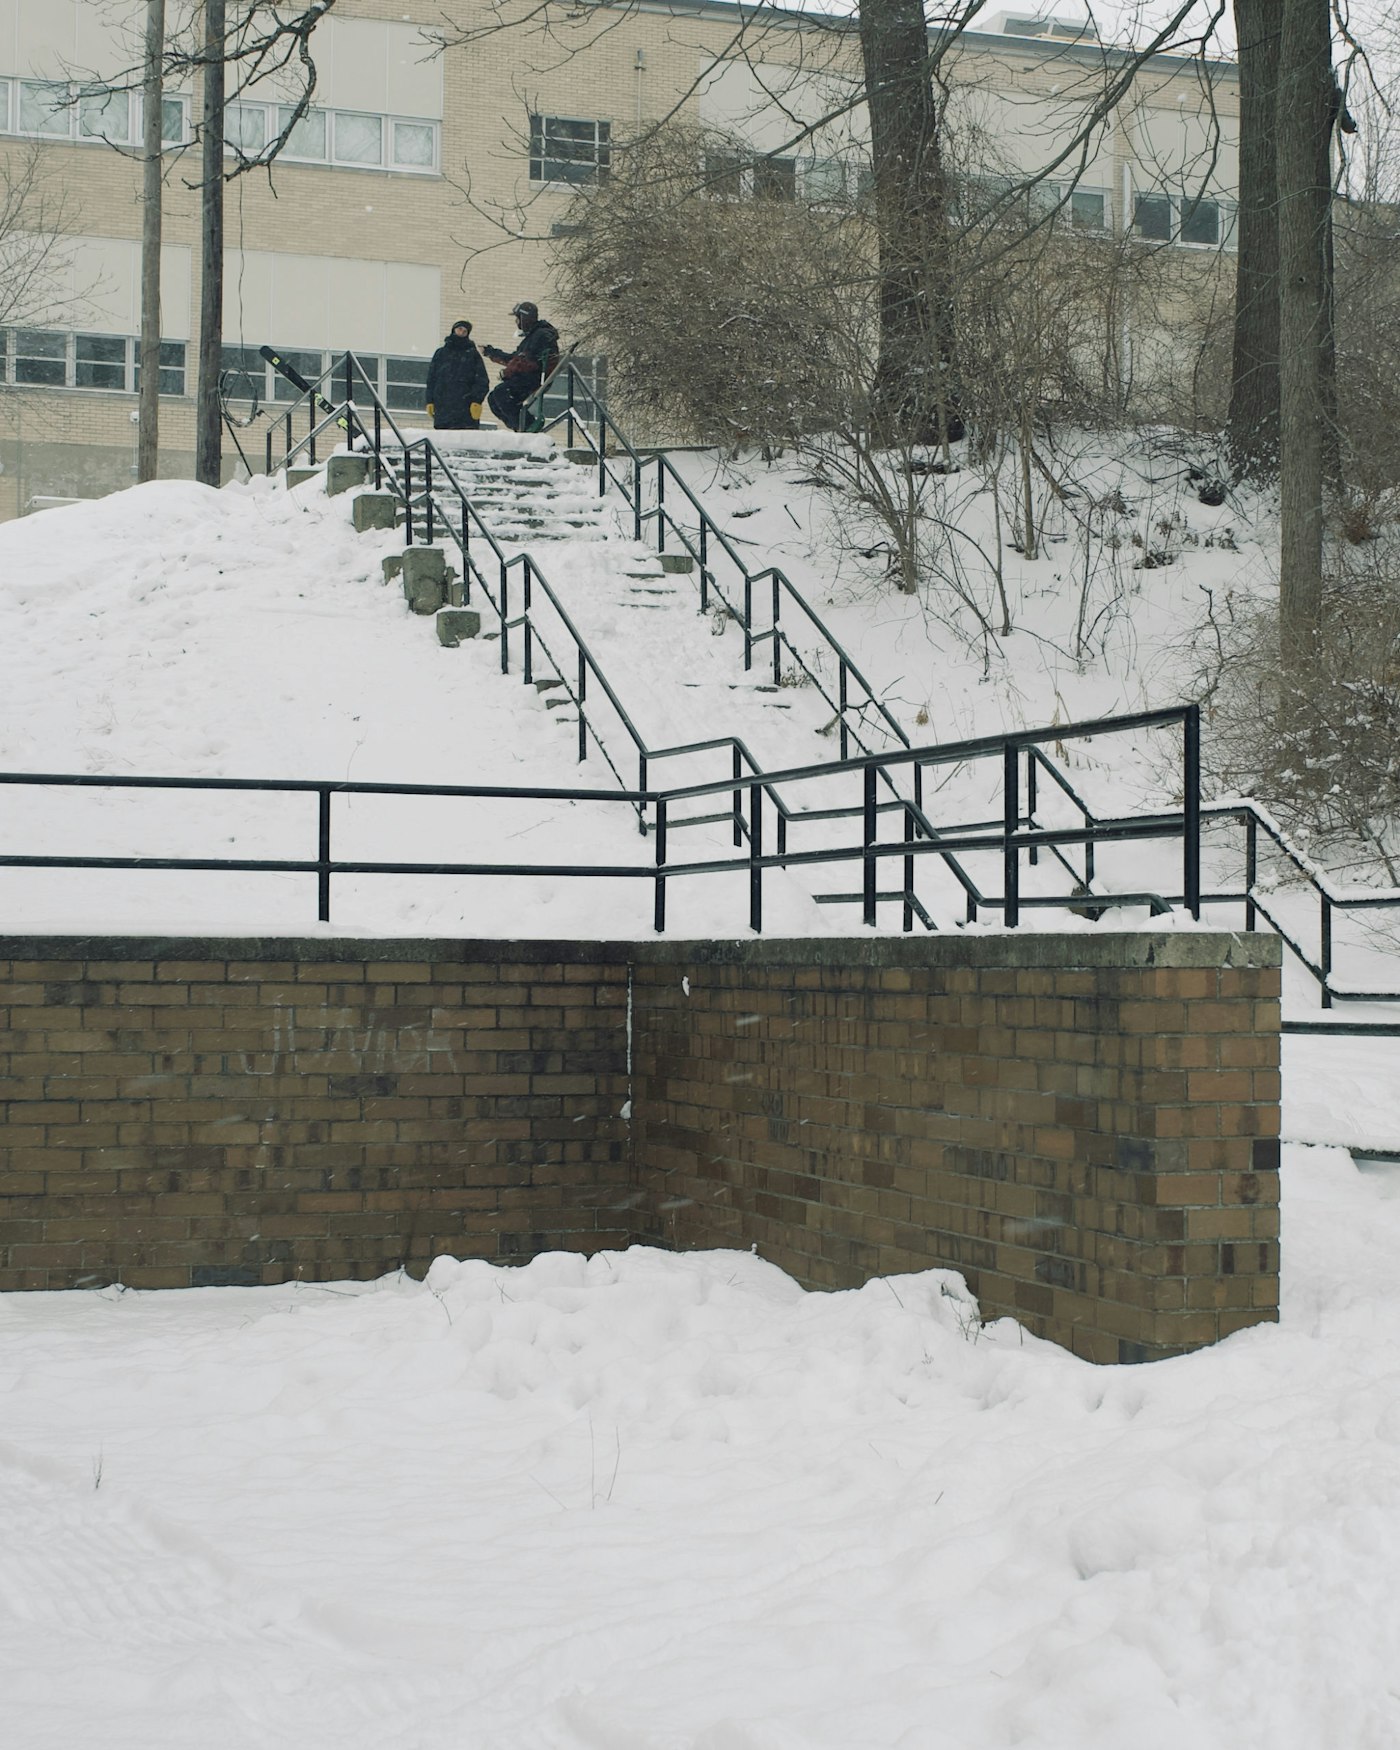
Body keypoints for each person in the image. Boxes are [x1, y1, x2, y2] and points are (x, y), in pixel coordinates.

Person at [482, 302, 560, 432]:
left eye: (517, 318)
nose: (516, 322)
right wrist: (491, 352)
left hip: (535, 377)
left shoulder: (541, 335)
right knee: (493, 399)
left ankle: (527, 426)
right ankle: (519, 427)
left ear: (524, 319)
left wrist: (508, 372)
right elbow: (516, 358)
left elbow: (528, 362)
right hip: (528, 376)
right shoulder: (532, 336)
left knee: (502, 393)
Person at [425, 319, 488, 430]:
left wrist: (477, 400)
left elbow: (482, 380)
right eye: (460, 329)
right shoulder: (441, 353)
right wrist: (429, 400)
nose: (462, 333)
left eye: (465, 331)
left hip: (465, 408)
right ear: (453, 330)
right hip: (443, 408)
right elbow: (431, 380)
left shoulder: (473, 355)